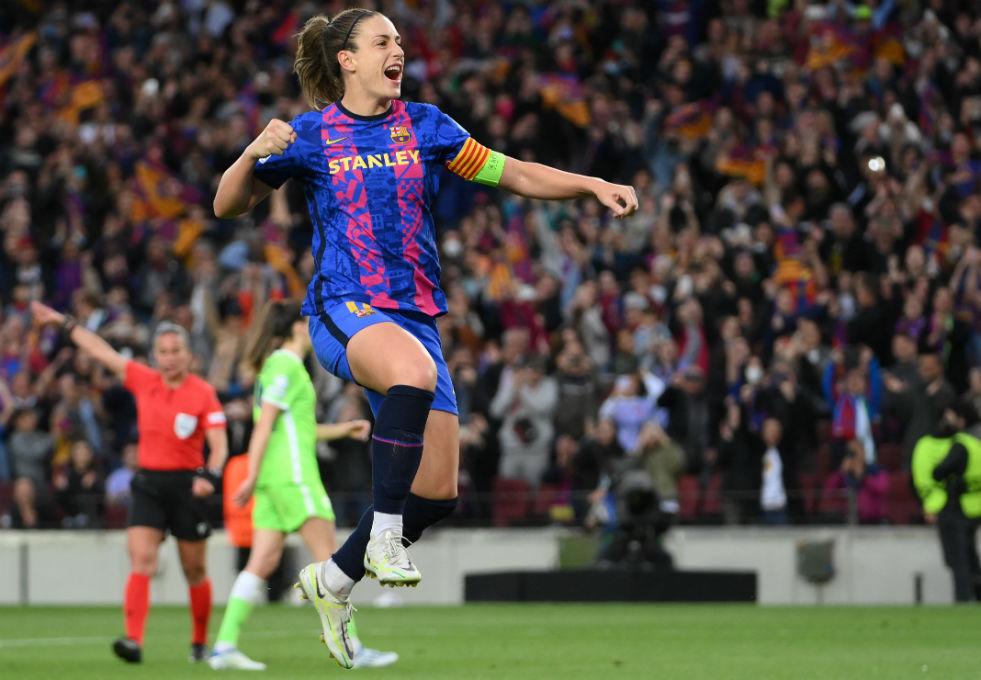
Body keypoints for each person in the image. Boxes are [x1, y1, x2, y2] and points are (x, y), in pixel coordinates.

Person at [213, 7, 638, 669]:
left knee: (437, 491)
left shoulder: (428, 127)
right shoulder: (311, 134)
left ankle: (331, 583)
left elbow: (513, 172)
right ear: (346, 59)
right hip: (342, 305)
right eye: (382, 41)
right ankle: (384, 539)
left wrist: (590, 185)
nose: (398, 51)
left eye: (401, 42)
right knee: (409, 379)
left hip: (413, 318)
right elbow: (226, 204)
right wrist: (249, 153)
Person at [31, 300, 228, 664]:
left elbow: (219, 446)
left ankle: (199, 643)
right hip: (149, 482)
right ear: (154, 356)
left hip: (189, 485)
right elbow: (99, 350)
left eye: (176, 351)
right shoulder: (143, 379)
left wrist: (209, 477)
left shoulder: (203, 393)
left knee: (194, 570)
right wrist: (62, 321)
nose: (169, 358)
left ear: (188, 355)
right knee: (142, 561)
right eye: (163, 352)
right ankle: (133, 640)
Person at [209, 300, 396, 670]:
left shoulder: (273, 368)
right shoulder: (286, 365)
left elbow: (295, 430)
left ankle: (224, 646)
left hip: (273, 480)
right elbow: (263, 428)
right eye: (310, 321)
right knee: (332, 561)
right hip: (294, 478)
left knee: (263, 560)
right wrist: (249, 474)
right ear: (297, 327)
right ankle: (352, 648)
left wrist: (343, 429)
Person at [920, 403, 981, 602]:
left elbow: (939, 472)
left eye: (952, 416)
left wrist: (944, 474)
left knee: (958, 557)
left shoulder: (961, 443)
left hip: (960, 506)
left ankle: (963, 598)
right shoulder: (977, 440)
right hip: (975, 504)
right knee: (970, 555)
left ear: (961, 420)